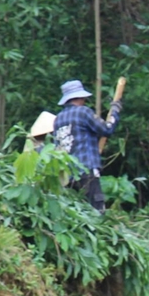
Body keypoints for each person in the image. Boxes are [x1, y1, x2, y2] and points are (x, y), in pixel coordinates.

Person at [51, 80, 122, 211]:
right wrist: (115, 112)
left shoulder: (58, 119)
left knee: (77, 213)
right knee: (97, 212)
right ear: (80, 97)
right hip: (86, 171)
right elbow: (107, 129)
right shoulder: (83, 112)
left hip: (67, 176)